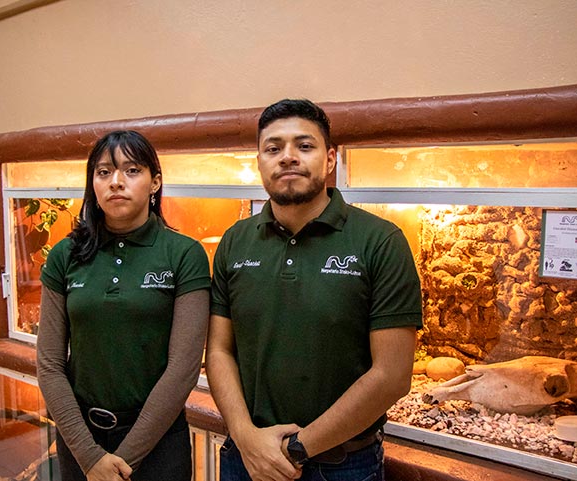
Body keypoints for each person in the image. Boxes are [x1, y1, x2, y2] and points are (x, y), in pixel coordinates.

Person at [206, 99, 423, 481]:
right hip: (244, 458)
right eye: (273, 148)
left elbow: (392, 374)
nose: (287, 157)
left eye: (304, 146)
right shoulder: (234, 242)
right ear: (258, 160)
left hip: (342, 466)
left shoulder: (380, 242)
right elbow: (221, 350)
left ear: (330, 158)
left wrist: (296, 448)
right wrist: (246, 438)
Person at [37, 130, 211, 481]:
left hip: (158, 442)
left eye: (132, 171)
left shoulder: (183, 254)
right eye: (104, 172)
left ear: (154, 182)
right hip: (81, 440)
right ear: (93, 184)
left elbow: (183, 369)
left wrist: (122, 462)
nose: (116, 182)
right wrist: (90, 458)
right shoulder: (64, 255)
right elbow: (50, 364)